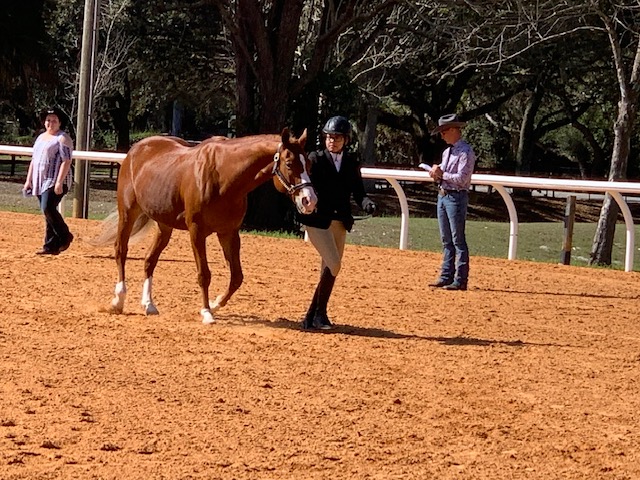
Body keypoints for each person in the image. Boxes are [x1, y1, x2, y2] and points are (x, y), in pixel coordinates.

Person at [298, 115, 376, 330]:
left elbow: (358, 191)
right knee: (334, 263)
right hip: (317, 221)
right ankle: (315, 314)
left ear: (346, 140)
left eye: (337, 137)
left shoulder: (351, 162)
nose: (332, 141)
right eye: (329, 137)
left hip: (340, 222)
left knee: (331, 269)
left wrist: (367, 203)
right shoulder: (314, 158)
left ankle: (314, 316)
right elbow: (303, 185)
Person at [427, 113, 476, 291]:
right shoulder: (447, 151)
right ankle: (446, 275)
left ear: (454, 130)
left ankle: (461, 279)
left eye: (444, 131)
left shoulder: (466, 152)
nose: (442, 135)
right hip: (443, 195)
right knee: (446, 239)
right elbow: (445, 176)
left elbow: (462, 179)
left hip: (456, 197)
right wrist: (436, 175)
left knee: (458, 239)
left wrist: (442, 174)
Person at [23, 107, 74, 255]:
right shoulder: (40, 137)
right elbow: (34, 160)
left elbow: (66, 161)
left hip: (55, 180)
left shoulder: (63, 138)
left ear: (59, 123)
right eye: (48, 120)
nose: (50, 123)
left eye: (54, 121)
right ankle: (50, 246)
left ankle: (64, 236)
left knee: (47, 207)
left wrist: (59, 182)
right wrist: (29, 180)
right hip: (40, 179)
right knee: (47, 212)